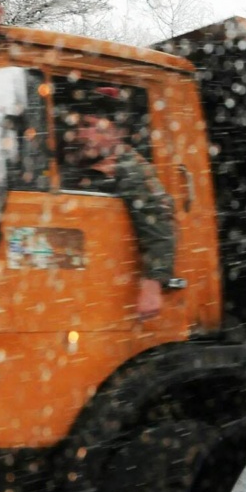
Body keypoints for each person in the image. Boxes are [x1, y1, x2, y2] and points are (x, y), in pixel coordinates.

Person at [62, 86, 176, 320]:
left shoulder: (129, 169)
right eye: (82, 126)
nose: (85, 135)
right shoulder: (76, 166)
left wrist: (153, 284)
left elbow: (159, 224)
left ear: (117, 133)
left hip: (112, 290)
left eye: (94, 126)